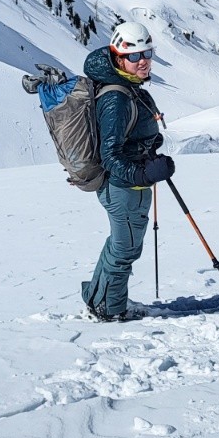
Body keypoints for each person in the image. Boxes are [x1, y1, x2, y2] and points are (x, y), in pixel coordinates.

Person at [80, 20, 174, 321]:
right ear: (118, 57)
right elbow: (110, 155)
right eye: (134, 56)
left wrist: (150, 142)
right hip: (123, 188)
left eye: (147, 53)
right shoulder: (116, 98)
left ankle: (99, 298)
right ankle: (112, 309)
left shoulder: (127, 89)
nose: (143, 61)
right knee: (126, 251)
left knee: (118, 244)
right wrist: (146, 174)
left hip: (125, 185)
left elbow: (126, 138)